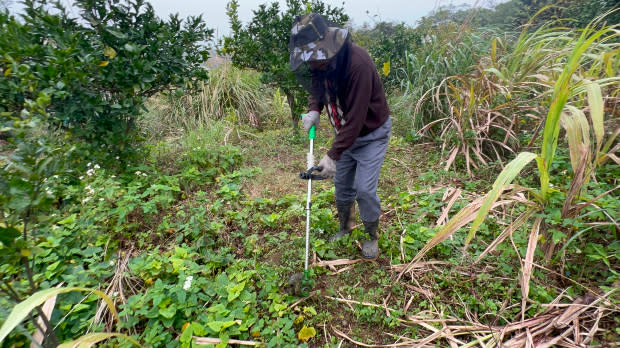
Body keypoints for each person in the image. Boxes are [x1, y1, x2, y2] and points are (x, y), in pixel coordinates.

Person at [289, 13, 391, 260]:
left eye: (314, 57)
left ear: (329, 46)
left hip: (371, 134)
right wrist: (314, 109)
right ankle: (345, 227)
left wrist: (333, 155)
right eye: (308, 59)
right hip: (344, 134)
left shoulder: (358, 64)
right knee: (342, 186)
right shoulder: (320, 62)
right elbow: (317, 84)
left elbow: (355, 121)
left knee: (365, 191)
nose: (312, 63)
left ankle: (371, 236)